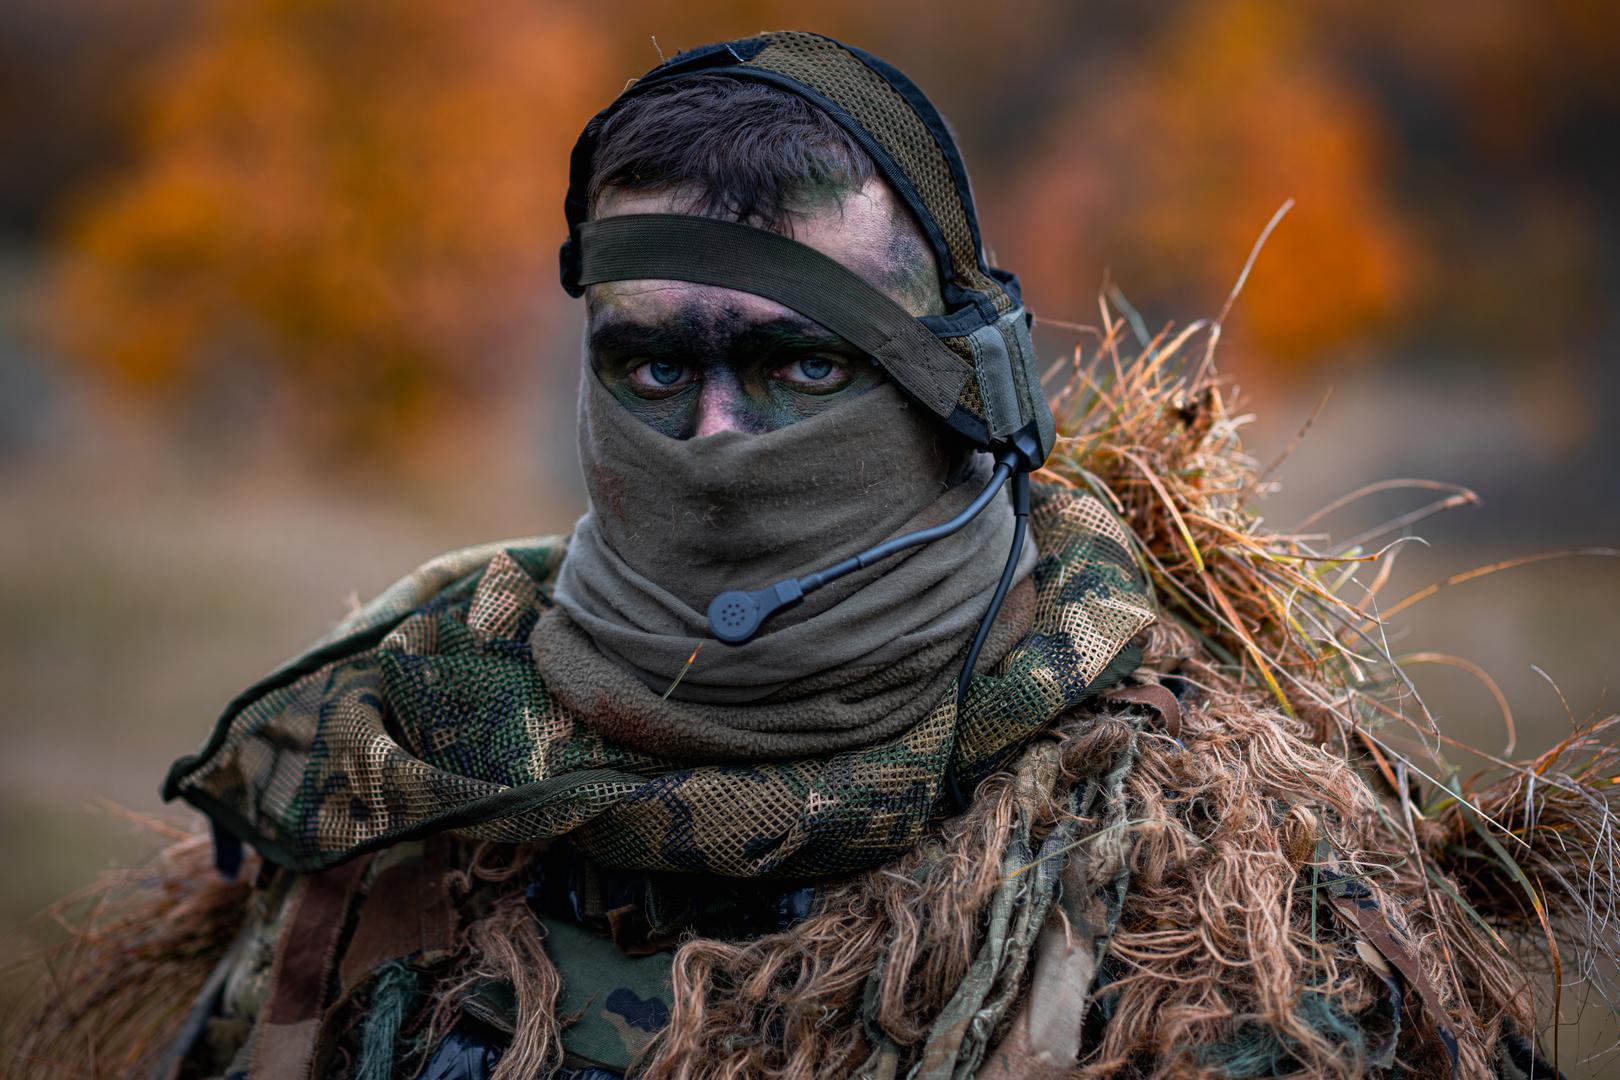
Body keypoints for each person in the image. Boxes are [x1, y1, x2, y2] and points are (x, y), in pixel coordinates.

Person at [15, 31, 1603, 1080]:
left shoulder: (1212, 883)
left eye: (799, 367)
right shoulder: (405, 782)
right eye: (651, 368)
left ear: (963, 394)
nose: (710, 437)